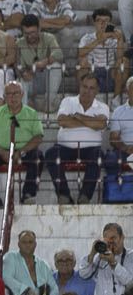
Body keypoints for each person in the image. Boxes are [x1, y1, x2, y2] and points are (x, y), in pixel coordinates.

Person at [45, 74, 109, 206]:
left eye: (91, 88)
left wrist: (78, 116)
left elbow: (101, 124)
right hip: (65, 148)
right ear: (80, 86)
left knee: (98, 155)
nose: (87, 91)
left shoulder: (103, 107)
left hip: (91, 149)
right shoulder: (68, 101)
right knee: (51, 154)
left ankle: (85, 196)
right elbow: (63, 121)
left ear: (97, 91)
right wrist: (91, 122)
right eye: (85, 86)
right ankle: (64, 195)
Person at [0, 82, 44, 209]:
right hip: (1, 151)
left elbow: (38, 137)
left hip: (23, 151)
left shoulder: (31, 113)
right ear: (4, 97)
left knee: (38, 156)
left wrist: (21, 152)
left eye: (16, 93)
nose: (12, 97)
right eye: (9, 94)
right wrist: (2, 152)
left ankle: (28, 194)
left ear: (22, 94)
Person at [3, 230, 57, 295]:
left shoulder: (43, 264)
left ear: (35, 244)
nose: (27, 245)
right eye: (24, 242)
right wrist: (27, 290)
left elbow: (54, 289)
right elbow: (6, 277)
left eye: (30, 242)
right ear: (18, 244)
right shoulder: (11, 257)